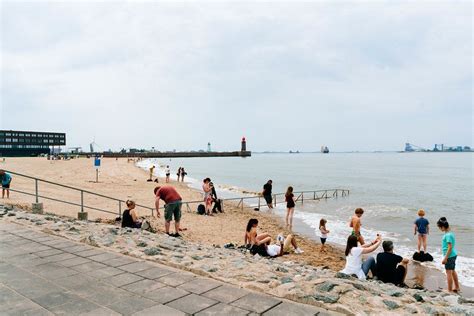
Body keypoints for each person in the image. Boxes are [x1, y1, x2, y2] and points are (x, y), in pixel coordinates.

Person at [437, 217, 460, 293]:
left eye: (440, 228)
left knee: (448, 272)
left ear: (443, 227)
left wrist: (445, 258)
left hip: (449, 256)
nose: (440, 229)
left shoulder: (448, 235)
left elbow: (449, 247)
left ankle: (449, 290)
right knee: (452, 271)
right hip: (452, 255)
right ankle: (457, 287)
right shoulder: (450, 234)